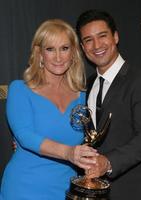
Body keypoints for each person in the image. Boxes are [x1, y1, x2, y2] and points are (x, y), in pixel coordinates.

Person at [0, 19, 99, 200]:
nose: (58, 57)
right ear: (39, 54)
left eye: (64, 48)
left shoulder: (84, 96)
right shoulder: (20, 89)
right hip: (24, 187)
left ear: (74, 53)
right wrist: (68, 153)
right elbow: (25, 135)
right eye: (50, 49)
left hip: (67, 189)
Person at [76, 9, 141, 200]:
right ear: (82, 46)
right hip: (94, 193)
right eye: (88, 40)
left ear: (115, 36)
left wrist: (108, 162)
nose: (96, 45)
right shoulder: (86, 86)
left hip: (133, 191)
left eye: (102, 36)